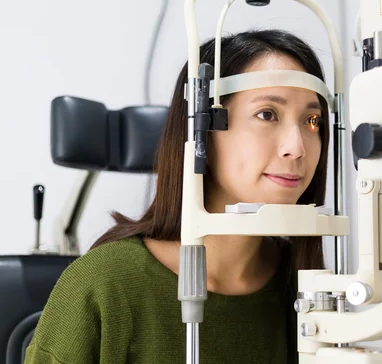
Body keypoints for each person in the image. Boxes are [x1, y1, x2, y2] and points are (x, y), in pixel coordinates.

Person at [24, 29, 331, 364]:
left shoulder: (304, 283)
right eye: (267, 114)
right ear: (202, 131)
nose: (297, 147)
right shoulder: (103, 285)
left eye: (311, 121)